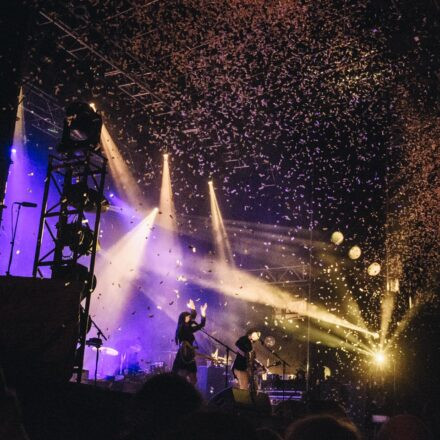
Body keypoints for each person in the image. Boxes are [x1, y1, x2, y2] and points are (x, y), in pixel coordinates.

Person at [172, 299, 207, 385]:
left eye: (189, 316)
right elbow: (192, 316)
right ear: (183, 318)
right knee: (181, 377)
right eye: (187, 316)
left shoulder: (189, 328)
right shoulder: (182, 327)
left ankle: (189, 394)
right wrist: (193, 309)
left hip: (190, 355)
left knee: (193, 379)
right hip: (183, 354)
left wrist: (203, 313)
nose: (189, 317)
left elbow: (201, 325)